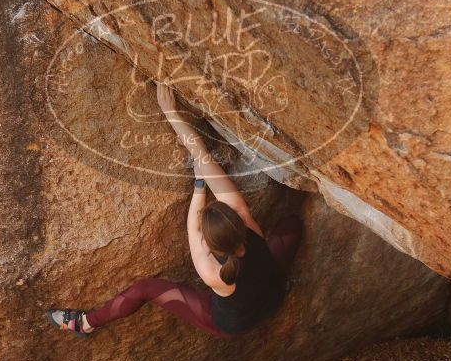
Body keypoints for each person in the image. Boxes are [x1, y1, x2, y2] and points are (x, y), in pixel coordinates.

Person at [46, 83, 301, 338]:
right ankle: (284, 284)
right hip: (272, 298)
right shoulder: (246, 220)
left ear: (211, 246)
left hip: (233, 323)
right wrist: (172, 113)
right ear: (238, 221)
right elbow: (201, 155)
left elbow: (193, 225)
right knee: (291, 227)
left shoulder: (212, 272)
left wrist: (199, 185)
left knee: (147, 288)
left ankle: (85, 323)